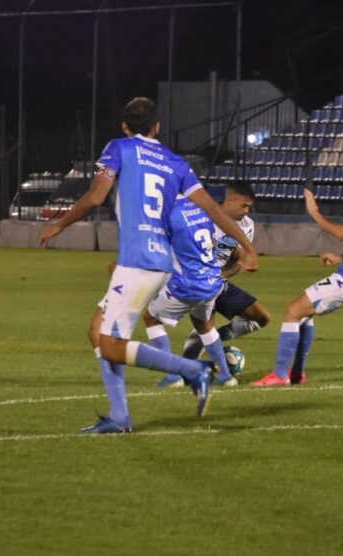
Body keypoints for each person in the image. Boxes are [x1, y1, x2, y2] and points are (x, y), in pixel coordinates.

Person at [39, 97, 258, 433]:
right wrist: (247, 246)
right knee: (97, 331)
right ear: (157, 127)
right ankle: (119, 416)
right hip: (158, 262)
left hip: (139, 258)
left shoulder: (119, 148)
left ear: (125, 127)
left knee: (110, 343)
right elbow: (214, 211)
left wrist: (60, 223)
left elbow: (96, 197)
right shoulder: (177, 163)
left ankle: (191, 371)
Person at [251, 160, 343, 386]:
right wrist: (340, 258)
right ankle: (297, 375)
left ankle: (280, 376)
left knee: (292, 310)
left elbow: (342, 233)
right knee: (303, 313)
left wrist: (314, 212)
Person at [158, 181, 271, 387]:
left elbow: (239, 257)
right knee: (202, 324)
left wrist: (228, 272)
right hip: (196, 281)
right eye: (243, 206)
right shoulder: (201, 218)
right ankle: (190, 370)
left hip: (219, 282)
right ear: (228, 201)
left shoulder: (247, 226)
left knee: (261, 318)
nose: (247, 212)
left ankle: (216, 339)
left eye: (249, 207)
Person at [142, 196, 238, 406]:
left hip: (189, 285)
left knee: (151, 318)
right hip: (213, 281)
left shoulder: (166, 212)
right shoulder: (200, 208)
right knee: (203, 324)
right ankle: (226, 377)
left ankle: (172, 376)